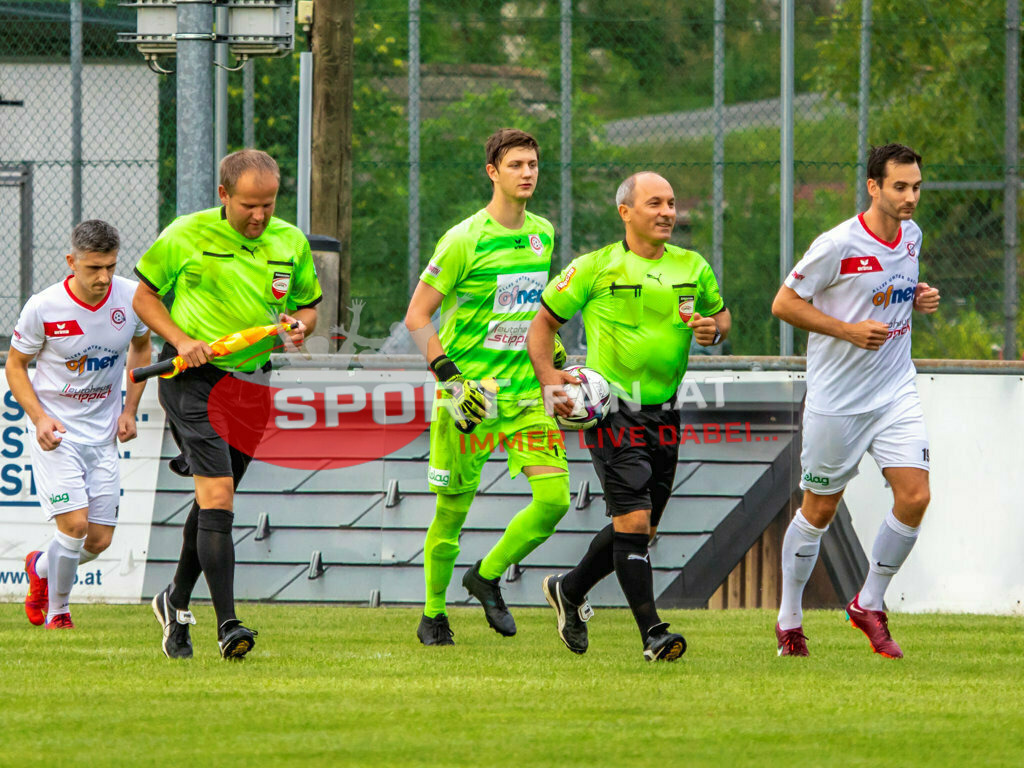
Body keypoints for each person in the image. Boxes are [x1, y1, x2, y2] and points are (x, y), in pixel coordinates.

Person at [529, 171, 731, 662]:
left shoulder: (693, 266)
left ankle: (568, 589)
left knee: (641, 529)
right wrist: (549, 379)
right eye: (655, 203)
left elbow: (722, 318)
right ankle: (653, 634)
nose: (667, 212)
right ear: (626, 212)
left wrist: (713, 330)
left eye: (671, 203)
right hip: (613, 411)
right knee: (635, 522)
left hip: (665, 411)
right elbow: (541, 325)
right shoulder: (595, 267)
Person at [133, 149, 322, 660]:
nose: (259, 216)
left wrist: (300, 326)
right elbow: (144, 298)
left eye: (268, 204)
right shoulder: (186, 234)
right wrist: (181, 338)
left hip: (251, 386)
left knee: (211, 501)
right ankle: (228, 626)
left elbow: (307, 306)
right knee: (219, 496)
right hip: (191, 379)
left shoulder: (291, 241)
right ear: (223, 195)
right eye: (248, 206)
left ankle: (174, 600)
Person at [770, 143, 940, 658]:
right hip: (838, 401)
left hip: (895, 392)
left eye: (916, 187)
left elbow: (890, 289)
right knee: (819, 510)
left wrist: (918, 296)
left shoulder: (912, 235)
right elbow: (784, 304)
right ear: (873, 186)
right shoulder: (837, 244)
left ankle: (868, 603)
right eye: (900, 187)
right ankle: (789, 619)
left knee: (915, 497)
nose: (910, 197)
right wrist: (846, 330)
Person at [404, 128, 571, 646]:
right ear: (492, 172)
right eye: (516, 164)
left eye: (533, 164)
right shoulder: (463, 239)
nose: (527, 173)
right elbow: (416, 316)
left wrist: (554, 356)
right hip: (470, 399)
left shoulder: (543, 233)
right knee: (451, 513)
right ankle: (433, 615)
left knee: (554, 500)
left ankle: (486, 576)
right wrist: (450, 378)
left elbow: (533, 312)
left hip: (525, 395)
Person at [7, 219, 151, 630]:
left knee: (99, 540)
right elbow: (16, 365)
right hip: (58, 434)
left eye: (110, 266)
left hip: (103, 436)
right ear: (72, 262)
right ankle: (59, 613)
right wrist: (39, 418)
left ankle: (40, 566)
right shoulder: (43, 306)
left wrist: (129, 409)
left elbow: (142, 348)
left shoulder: (132, 298)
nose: (104, 277)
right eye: (93, 268)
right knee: (74, 525)